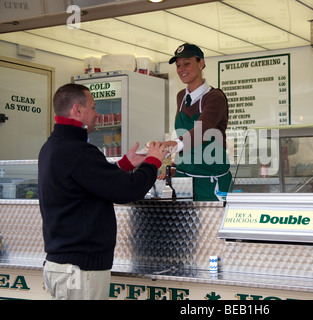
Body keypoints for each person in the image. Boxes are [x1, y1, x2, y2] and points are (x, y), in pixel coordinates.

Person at [38, 83, 167, 300]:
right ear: (77, 110)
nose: (97, 114)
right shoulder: (78, 151)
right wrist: (153, 162)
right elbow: (127, 190)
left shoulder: (52, 147)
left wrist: (126, 164)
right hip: (81, 270)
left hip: (62, 266)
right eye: (93, 107)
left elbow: (90, 182)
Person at [162, 43, 232, 201]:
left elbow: (203, 131)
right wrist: (176, 166)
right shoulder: (181, 97)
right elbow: (184, 135)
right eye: (178, 65)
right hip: (184, 180)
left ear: (201, 63)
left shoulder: (215, 97)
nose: (181, 69)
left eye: (187, 63)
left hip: (210, 180)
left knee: (212, 225)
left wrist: (174, 144)